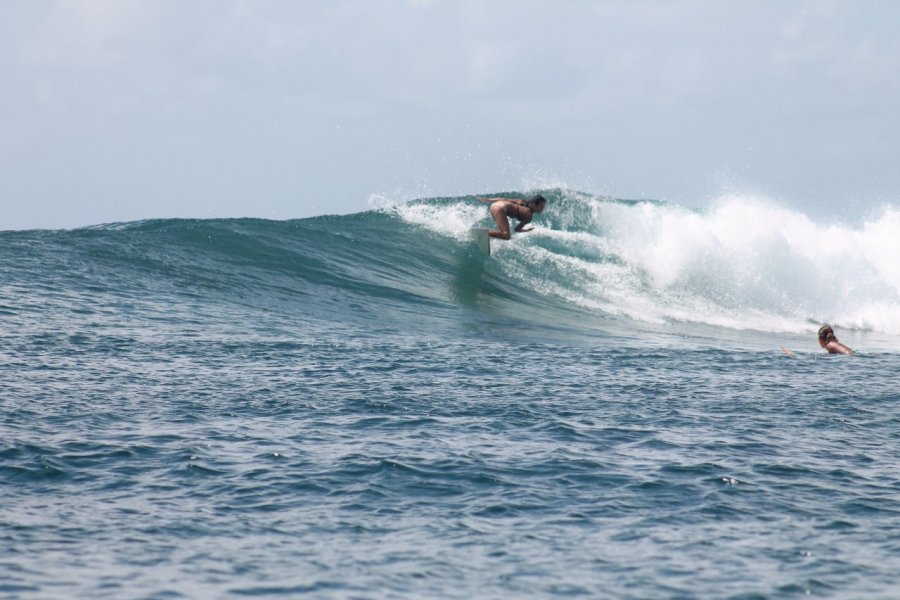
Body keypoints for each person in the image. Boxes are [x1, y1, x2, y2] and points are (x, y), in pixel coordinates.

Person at [477, 195, 547, 240]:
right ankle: (484, 233)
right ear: (534, 204)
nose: (542, 209)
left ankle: (484, 233)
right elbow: (516, 229)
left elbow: (504, 199)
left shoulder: (521, 201)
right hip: (500, 209)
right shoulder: (528, 216)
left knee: (503, 232)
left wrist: (488, 200)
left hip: (495, 205)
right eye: (541, 206)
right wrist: (527, 230)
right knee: (506, 235)